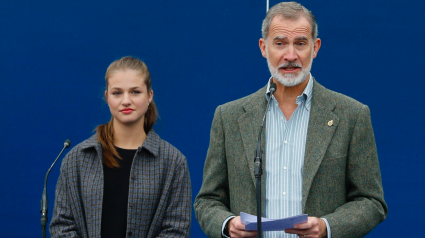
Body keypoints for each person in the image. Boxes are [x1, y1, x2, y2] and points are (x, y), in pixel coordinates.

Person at [194, 2, 387, 238]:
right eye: (280, 43)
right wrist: (227, 224)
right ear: (264, 47)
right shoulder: (229, 117)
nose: (290, 55)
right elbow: (207, 200)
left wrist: (327, 226)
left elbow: (371, 201)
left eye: (300, 43)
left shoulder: (352, 115)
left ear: (315, 48)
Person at [50, 56, 192, 238]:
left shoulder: (173, 162)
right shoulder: (77, 158)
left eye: (135, 92)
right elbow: (62, 226)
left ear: (149, 96)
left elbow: (176, 230)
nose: (126, 100)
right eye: (117, 93)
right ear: (107, 97)